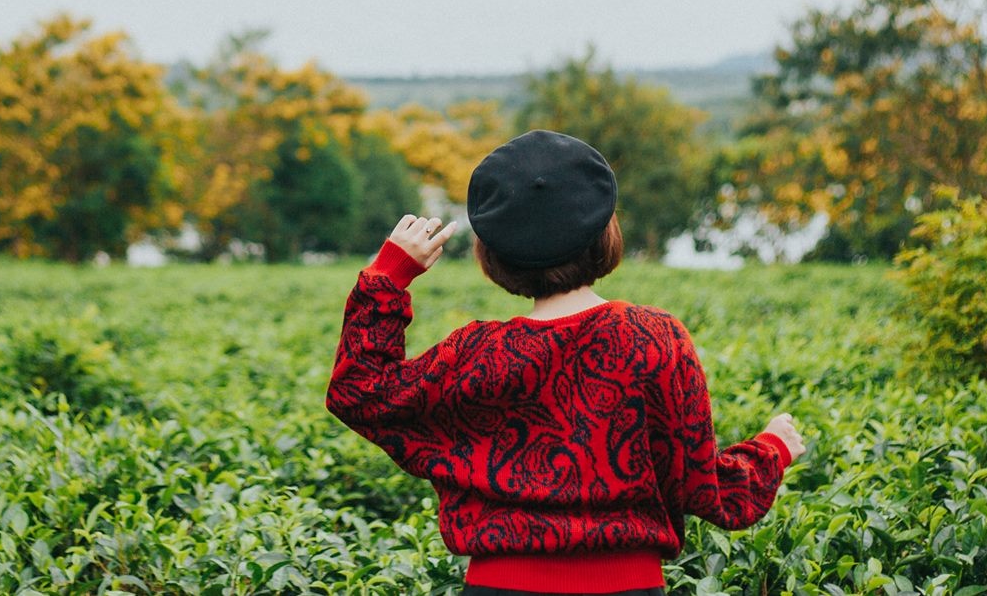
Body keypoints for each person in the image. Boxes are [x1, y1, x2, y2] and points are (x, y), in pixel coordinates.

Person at [326, 129, 806, 596]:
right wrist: (772, 449)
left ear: (494, 255)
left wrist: (389, 275)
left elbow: (361, 392)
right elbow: (705, 489)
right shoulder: (654, 339)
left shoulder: (475, 354)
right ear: (605, 234)